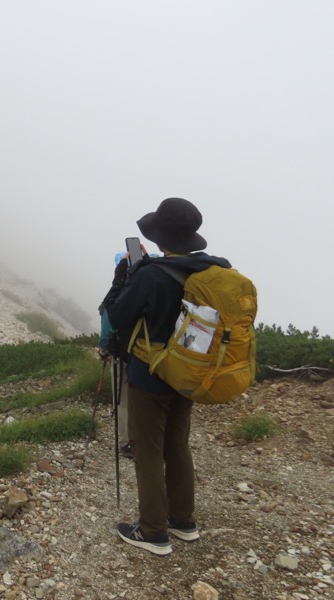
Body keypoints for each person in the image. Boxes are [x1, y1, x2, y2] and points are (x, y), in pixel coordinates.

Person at [106, 197, 232, 556]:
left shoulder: (150, 274)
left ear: (161, 238)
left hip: (151, 374)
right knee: (177, 445)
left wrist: (124, 278)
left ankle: (153, 531)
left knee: (147, 449)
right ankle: (183, 520)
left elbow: (118, 316)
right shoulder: (210, 272)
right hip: (190, 373)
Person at [98, 252, 133, 460]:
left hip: (121, 355)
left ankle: (126, 443)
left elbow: (106, 327)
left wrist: (103, 350)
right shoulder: (145, 289)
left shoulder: (117, 293)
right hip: (148, 355)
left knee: (122, 400)